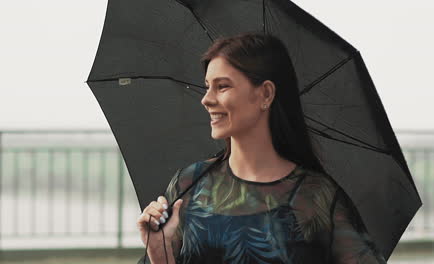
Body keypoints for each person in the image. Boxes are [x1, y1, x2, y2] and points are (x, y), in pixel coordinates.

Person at [136, 32, 387, 264]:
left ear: (266, 94)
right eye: (207, 86)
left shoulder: (316, 196)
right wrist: (160, 256)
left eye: (222, 86)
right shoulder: (188, 186)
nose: (206, 99)